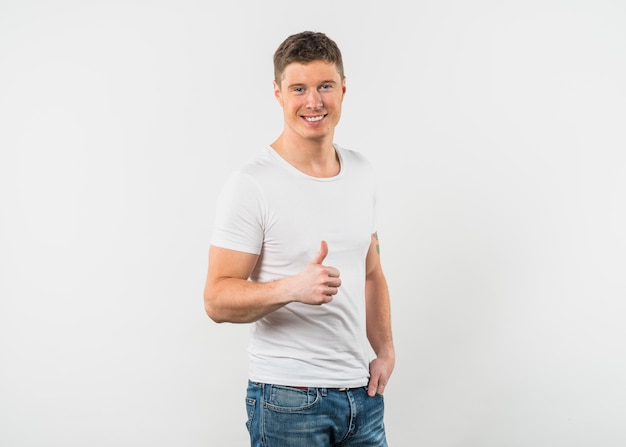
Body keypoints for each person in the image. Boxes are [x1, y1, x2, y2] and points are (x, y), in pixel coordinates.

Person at [203, 31, 395, 446]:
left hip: (362, 396)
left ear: (343, 88)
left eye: (325, 86)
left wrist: (385, 351)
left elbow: (372, 272)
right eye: (299, 89)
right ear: (277, 93)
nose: (314, 102)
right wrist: (293, 287)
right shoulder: (252, 183)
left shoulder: (362, 172)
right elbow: (216, 300)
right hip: (288, 400)